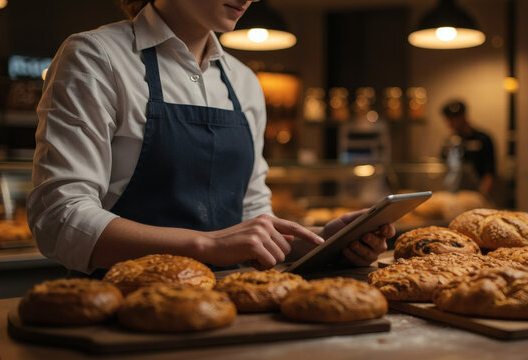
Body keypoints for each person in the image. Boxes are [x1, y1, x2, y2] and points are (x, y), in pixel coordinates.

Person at [27, 0, 394, 275]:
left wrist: (319, 241)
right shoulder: (96, 57)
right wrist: (205, 245)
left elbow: (252, 216)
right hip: (124, 308)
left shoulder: (243, 81)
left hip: (231, 310)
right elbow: (60, 218)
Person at [440, 100, 496, 196]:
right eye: (450, 119)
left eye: (455, 118)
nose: (452, 123)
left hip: (476, 193)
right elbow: (443, 166)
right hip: (453, 193)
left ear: (464, 116)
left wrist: (483, 194)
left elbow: (490, 172)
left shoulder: (482, 138)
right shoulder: (449, 141)